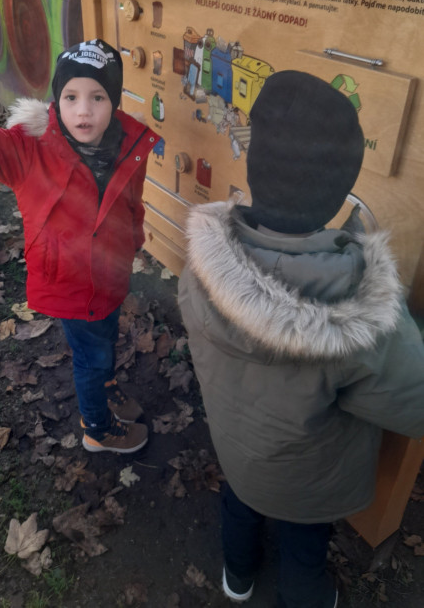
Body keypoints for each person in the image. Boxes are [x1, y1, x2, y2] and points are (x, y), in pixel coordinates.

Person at [178, 70, 424, 608]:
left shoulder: (200, 268)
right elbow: (414, 403)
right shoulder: (360, 314)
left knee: (239, 511)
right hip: (310, 483)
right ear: (340, 190)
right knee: (304, 547)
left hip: (237, 454)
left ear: (256, 166)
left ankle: (238, 576)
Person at [0, 0, 161, 454]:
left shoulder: (128, 145)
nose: (84, 111)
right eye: (71, 97)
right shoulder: (29, 151)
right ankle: (97, 429)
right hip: (69, 284)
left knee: (106, 341)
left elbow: (131, 206)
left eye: (98, 97)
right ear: (56, 100)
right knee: (90, 357)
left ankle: (106, 385)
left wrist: (133, 242)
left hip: (111, 276)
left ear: (114, 102)